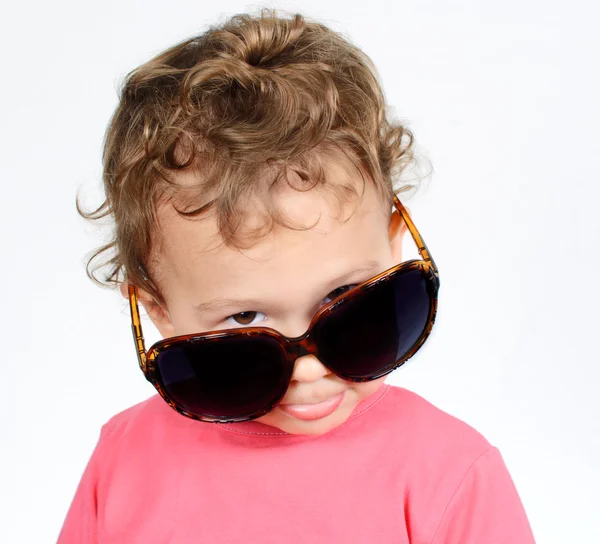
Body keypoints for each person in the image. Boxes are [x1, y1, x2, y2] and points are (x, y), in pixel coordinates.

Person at [59, 8, 536, 543]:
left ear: (394, 240)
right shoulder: (125, 456)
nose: (308, 372)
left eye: (343, 299)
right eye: (246, 317)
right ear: (159, 310)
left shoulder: (448, 473)